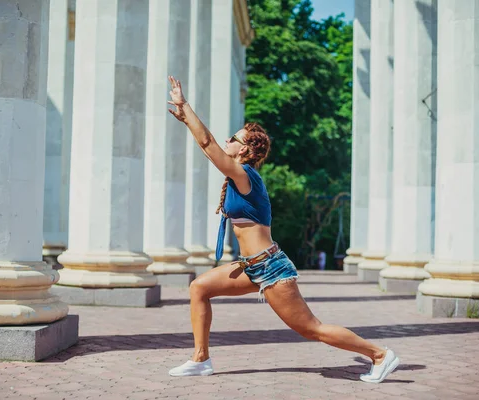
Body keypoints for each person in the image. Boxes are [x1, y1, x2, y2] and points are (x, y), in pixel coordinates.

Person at [165, 76, 399, 383]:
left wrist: (185, 107)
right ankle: (200, 359)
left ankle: (380, 355)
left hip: (270, 269)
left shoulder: (245, 176)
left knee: (310, 328)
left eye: (233, 139)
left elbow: (207, 144)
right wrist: (186, 120)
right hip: (251, 266)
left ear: (246, 149)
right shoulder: (239, 176)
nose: (228, 141)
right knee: (199, 288)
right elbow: (209, 145)